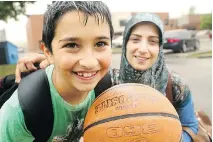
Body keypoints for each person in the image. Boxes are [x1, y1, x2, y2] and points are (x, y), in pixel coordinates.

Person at [1, 13, 198, 142]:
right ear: (124, 44)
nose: (143, 49)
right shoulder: (105, 80)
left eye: (153, 42)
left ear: (160, 47)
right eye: (135, 39)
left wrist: (167, 135)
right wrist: (47, 60)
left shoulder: (176, 85)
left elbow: (191, 126)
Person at [0, 1, 113, 142]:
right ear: (48, 52)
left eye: (100, 44)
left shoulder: (108, 88)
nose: (89, 62)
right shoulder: (20, 111)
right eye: (71, 45)